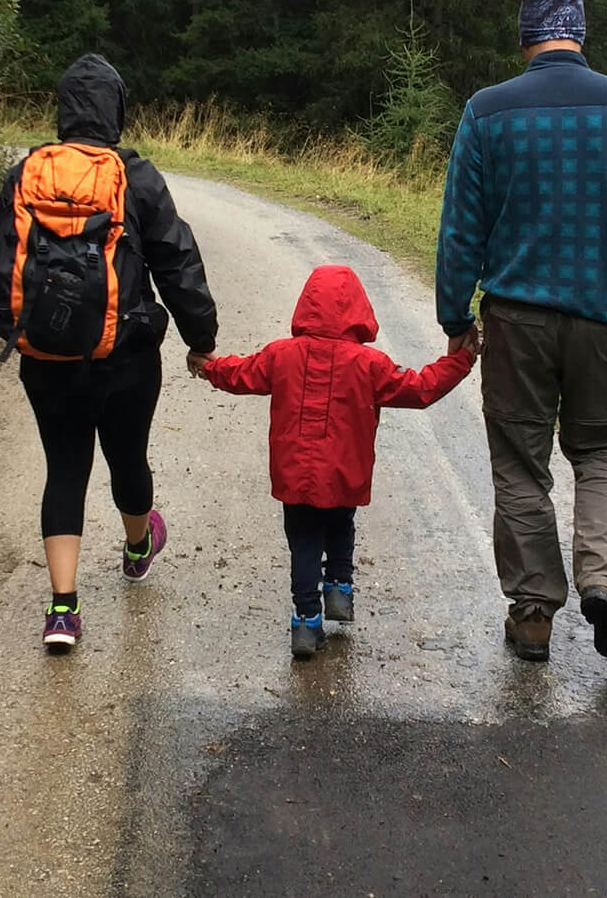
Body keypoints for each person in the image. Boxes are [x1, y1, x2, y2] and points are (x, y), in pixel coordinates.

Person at [436, 0, 607, 665]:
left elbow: (460, 232)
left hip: (517, 324)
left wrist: (453, 315)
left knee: (521, 465)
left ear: (525, 34)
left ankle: (532, 615)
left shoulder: (486, 114)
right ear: (579, 29)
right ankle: (605, 584)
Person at [0, 54, 218, 652]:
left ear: (63, 110)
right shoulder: (136, 177)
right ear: (116, 110)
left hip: (46, 358)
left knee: (65, 468)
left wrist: (22, 328)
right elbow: (177, 262)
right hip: (126, 357)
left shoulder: (26, 173)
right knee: (127, 457)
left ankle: (62, 609)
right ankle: (138, 548)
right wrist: (201, 339)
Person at [192, 265, 476, 659]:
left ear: (306, 306)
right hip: (345, 472)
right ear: (359, 310)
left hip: (295, 474)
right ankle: (340, 587)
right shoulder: (370, 364)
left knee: (304, 541)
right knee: (341, 522)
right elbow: (420, 388)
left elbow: (242, 373)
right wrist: (460, 361)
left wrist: (209, 366)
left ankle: (306, 621)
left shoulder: (281, 355)